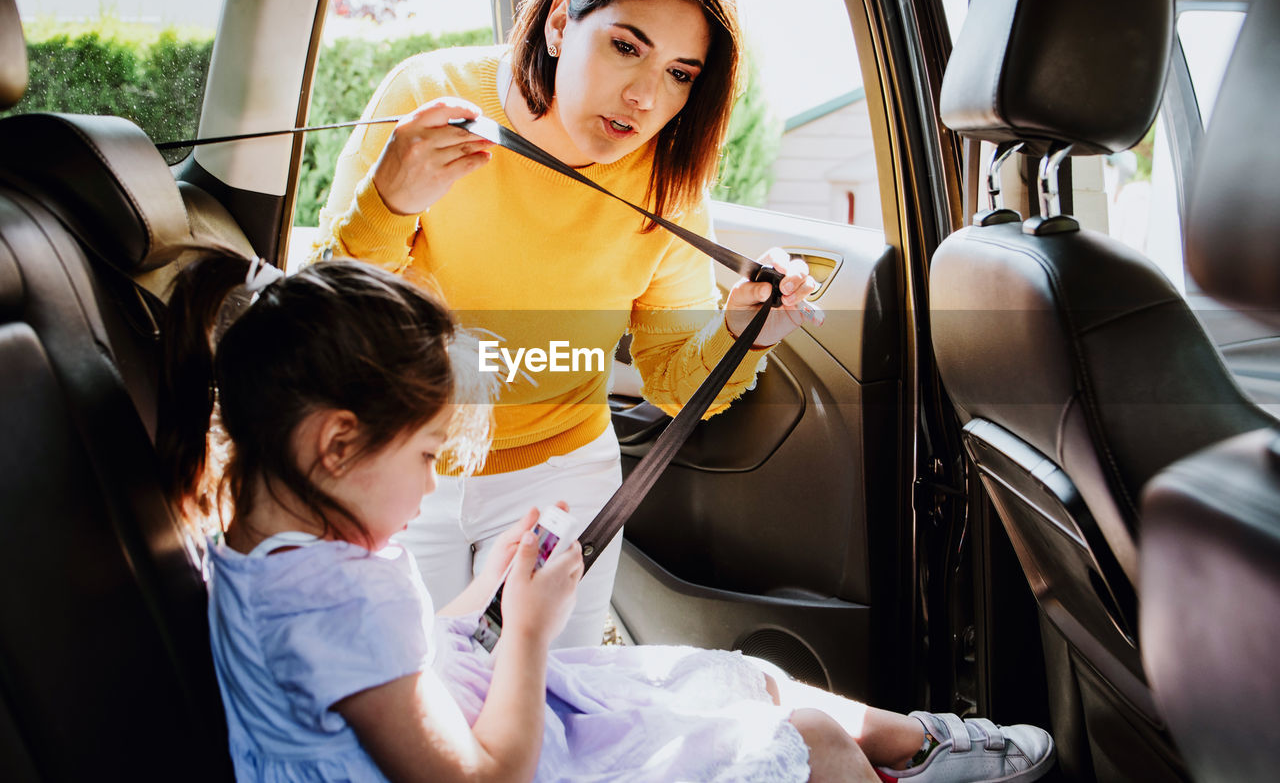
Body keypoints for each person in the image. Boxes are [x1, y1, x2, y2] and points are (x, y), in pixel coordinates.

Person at [159, 251, 1056, 783]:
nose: (434, 490)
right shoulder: (333, 596)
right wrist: (531, 633)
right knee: (807, 740)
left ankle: (921, 742)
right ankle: (914, 752)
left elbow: (394, 659)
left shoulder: (271, 548)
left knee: (742, 680)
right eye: (429, 457)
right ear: (336, 445)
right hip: (509, 756)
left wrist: (482, 591)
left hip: (483, 711)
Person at [310, 0, 823, 648]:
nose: (645, 96)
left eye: (681, 73)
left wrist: (746, 330)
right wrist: (388, 204)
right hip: (395, 457)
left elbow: (675, 376)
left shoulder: (668, 183)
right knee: (406, 702)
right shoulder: (429, 96)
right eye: (625, 46)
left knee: (553, 710)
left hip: (559, 478)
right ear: (558, 24)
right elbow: (333, 325)